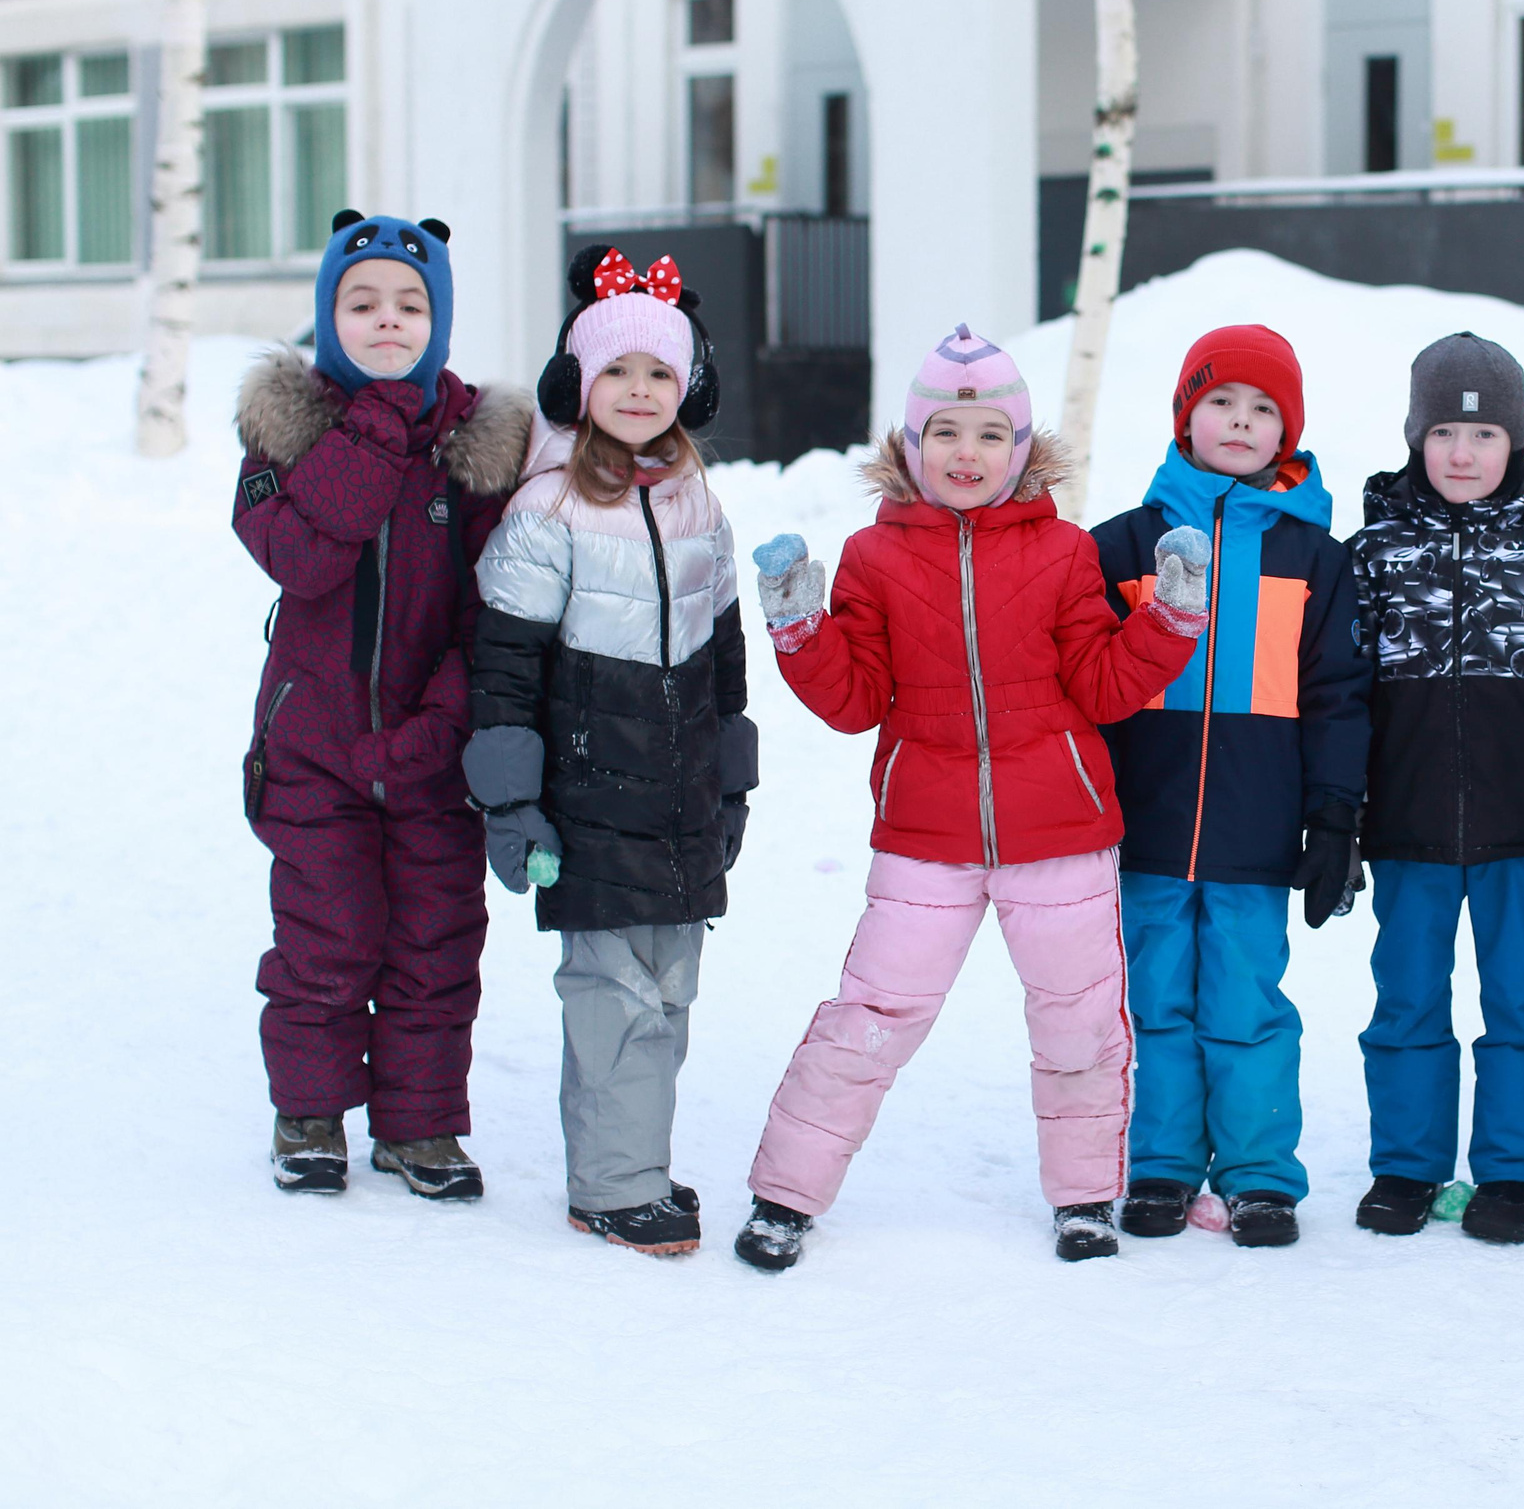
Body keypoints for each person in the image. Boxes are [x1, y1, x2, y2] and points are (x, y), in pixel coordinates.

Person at [733, 327, 1206, 1269]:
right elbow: (854, 700)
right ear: (911, 447)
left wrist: (1170, 622)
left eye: (990, 434)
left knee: (1078, 1020)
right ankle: (785, 1194)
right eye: (944, 431)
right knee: (868, 1017)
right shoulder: (873, 556)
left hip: (1060, 830)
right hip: (926, 835)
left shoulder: (1065, 552)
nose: (966, 453)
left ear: (1022, 450)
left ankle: (1083, 1197)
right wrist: (799, 626)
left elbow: (1107, 687)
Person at [234, 210, 530, 1201]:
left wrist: (438, 730)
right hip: (312, 750)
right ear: (328, 316)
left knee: (436, 945)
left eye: (412, 304)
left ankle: (421, 1128)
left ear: (439, 319)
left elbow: (496, 604)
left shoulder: (476, 450)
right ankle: (310, 1114)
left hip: (431, 756)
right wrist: (373, 425)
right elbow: (305, 560)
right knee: (328, 937)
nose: (387, 320)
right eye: (360, 303)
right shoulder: (284, 435)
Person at [465, 245, 753, 1255]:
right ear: (580, 386)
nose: (639, 392)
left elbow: (724, 657)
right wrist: (512, 800)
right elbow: (501, 665)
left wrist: (734, 784)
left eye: (660, 374)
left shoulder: (696, 501)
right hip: (587, 790)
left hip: (679, 792)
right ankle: (613, 1183)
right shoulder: (546, 509)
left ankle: (633, 1160)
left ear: (689, 386)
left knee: (670, 989)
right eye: (618, 372)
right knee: (612, 993)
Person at [1088, 325, 1369, 1249]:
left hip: (1256, 827)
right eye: (1222, 403)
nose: (1241, 423)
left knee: (1247, 1004)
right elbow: (1086, 685)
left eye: (1263, 410)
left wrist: (1334, 814)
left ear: (1286, 431)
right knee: (1156, 997)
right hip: (1147, 822)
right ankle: (1162, 1163)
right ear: (1185, 416)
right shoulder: (1124, 545)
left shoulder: (1313, 559)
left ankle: (1257, 1174)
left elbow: (1337, 698)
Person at [1343, 333, 1524, 1245]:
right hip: (1408, 824)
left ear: (1516, 443)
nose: (1464, 454)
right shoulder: (1373, 554)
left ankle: (1514, 1169)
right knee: (1407, 997)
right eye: (1446, 433)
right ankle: (1408, 1165)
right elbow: (1340, 698)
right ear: (1416, 436)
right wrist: (1339, 817)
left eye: (1486, 434)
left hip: (1523, 830)